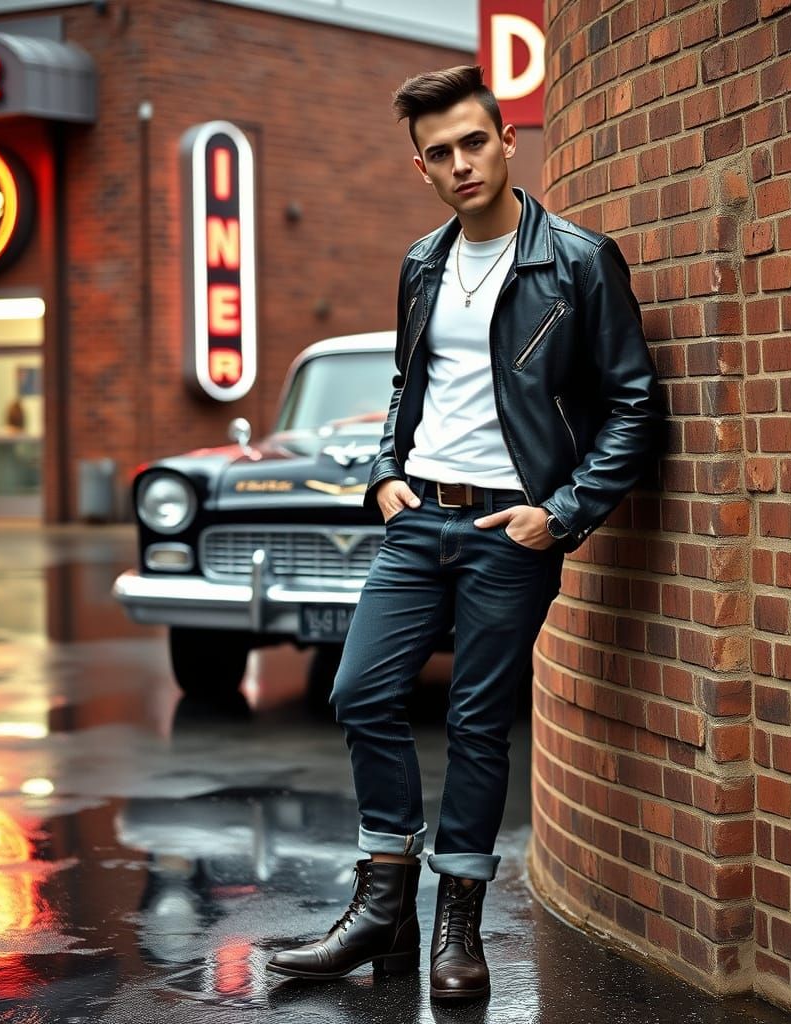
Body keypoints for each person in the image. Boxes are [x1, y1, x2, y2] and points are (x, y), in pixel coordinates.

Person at [267, 65, 661, 1001]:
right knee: (361, 692)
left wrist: (560, 514)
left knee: (479, 723)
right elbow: (408, 384)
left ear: (507, 140)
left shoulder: (577, 261)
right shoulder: (421, 263)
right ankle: (383, 905)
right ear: (422, 167)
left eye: (474, 142)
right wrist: (384, 473)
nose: (461, 164)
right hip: (418, 520)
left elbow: (635, 404)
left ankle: (458, 927)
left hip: (509, 527)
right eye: (439, 153)